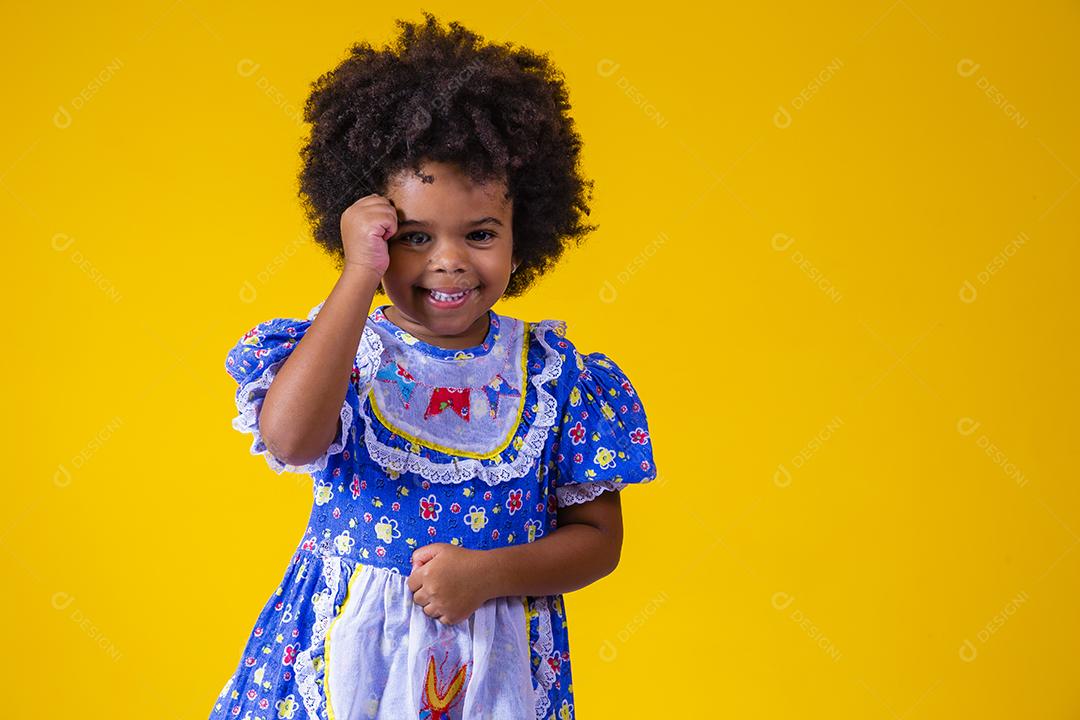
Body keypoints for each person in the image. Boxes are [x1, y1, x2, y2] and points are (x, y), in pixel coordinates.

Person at [207, 12, 658, 720]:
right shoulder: (341, 351)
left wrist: (488, 575)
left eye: (479, 234)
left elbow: (599, 543)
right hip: (343, 660)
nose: (448, 261)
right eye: (414, 237)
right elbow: (291, 440)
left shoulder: (558, 378)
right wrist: (361, 273)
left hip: (495, 670)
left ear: (524, 232)